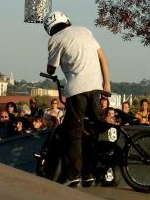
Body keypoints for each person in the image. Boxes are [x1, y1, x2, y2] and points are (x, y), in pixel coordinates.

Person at [43, 10, 111, 187]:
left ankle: (73, 175)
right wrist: (107, 84)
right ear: (67, 21)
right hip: (96, 86)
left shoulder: (55, 39)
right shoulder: (85, 31)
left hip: (77, 90)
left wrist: (52, 68)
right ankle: (89, 174)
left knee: (73, 133)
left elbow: (51, 68)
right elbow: (102, 56)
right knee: (91, 130)